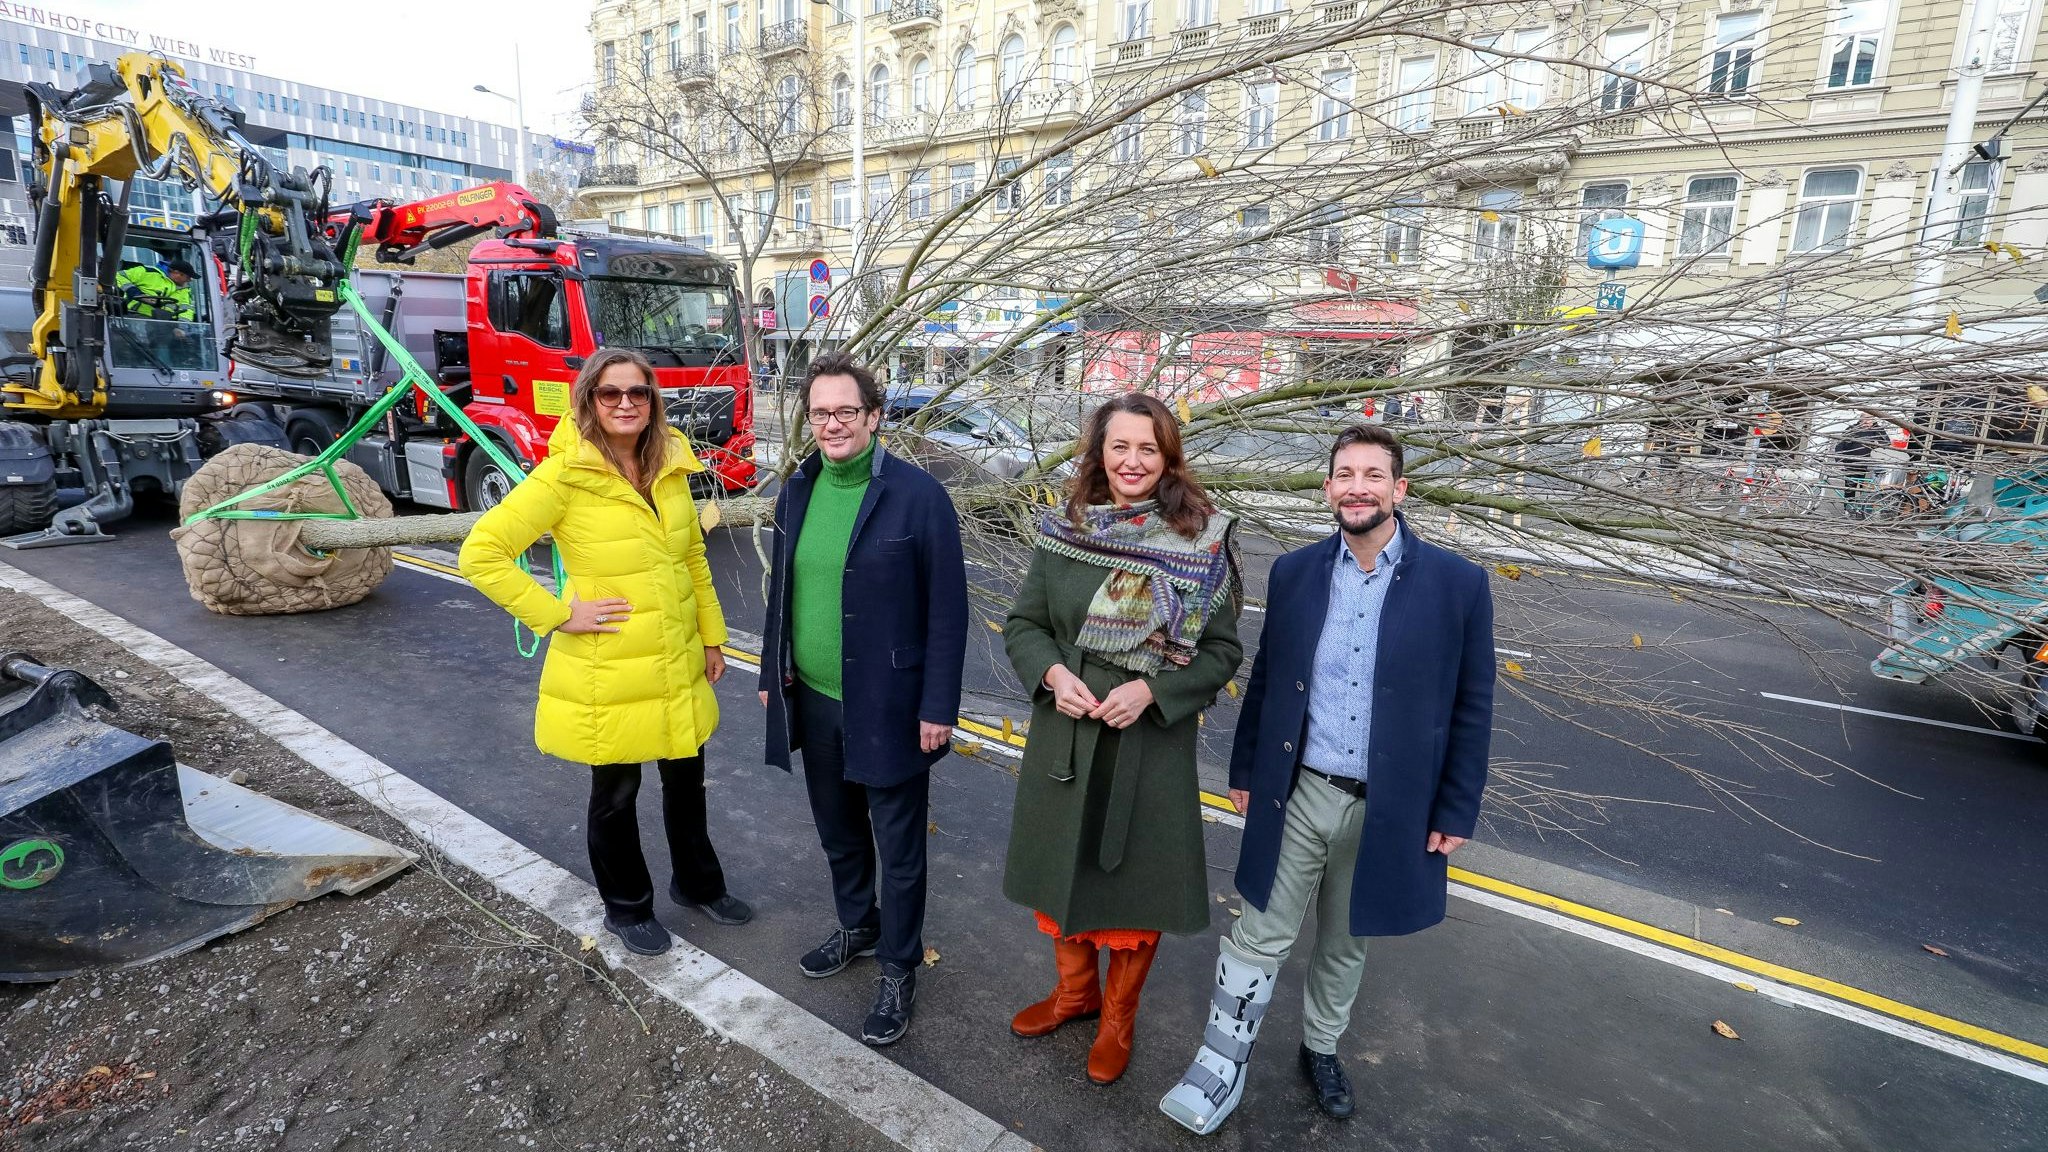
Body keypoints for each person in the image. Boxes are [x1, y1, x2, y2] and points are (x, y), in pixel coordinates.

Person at [1161, 423, 1496, 1134]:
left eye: (1372, 475)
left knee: (1346, 942)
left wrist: (1456, 809)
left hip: (1390, 809)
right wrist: (1247, 764)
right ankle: (1220, 1063)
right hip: (1302, 789)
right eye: (1344, 474)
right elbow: (1271, 679)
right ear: (1328, 489)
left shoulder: (1457, 584)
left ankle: (1321, 1050)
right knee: (1261, 930)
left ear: (1399, 490)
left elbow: (1472, 704)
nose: (1357, 487)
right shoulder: (1296, 572)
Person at [460, 347, 752, 957]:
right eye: (610, 393)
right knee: (616, 794)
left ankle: (698, 884)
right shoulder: (564, 475)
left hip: (675, 654)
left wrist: (712, 635)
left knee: (687, 779)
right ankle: (627, 908)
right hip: (607, 663)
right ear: (588, 399)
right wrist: (559, 614)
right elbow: (481, 553)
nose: (625, 404)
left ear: (652, 401)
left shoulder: (669, 464)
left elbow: (691, 557)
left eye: (638, 393)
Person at [1001, 392, 1244, 1086]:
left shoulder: (1200, 539)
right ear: (1097, 453)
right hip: (1069, 733)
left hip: (1147, 743)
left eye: (1147, 448)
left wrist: (1152, 691)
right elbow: (1025, 624)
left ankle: (1116, 1017)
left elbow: (1222, 652)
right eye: (1119, 447)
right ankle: (1075, 996)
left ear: (1168, 456)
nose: (1132, 461)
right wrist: (1051, 673)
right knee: (1063, 872)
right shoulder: (1064, 529)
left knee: (1133, 892)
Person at [758, 350, 968, 1046]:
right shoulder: (797, 488)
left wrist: (938, 705)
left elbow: (947, 611)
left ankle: (899, 967)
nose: (833, 423)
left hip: (894, 707)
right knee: (839, 833)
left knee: (899, 848)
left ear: (875, 417)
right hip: (815, 697)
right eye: (820, 412)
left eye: (847, 411)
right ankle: (858, 924)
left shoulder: (917, 496)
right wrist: (771, 674)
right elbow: (782, 591)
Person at [117, 258, 196, 320]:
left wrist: (182, 328)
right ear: (177, 273)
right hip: (135, 316)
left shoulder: (184, 290)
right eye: (188, 277)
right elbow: (118, 276)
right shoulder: (147, 272)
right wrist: (139, 295)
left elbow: (187, 310)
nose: (190, 280)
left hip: (166, 323)